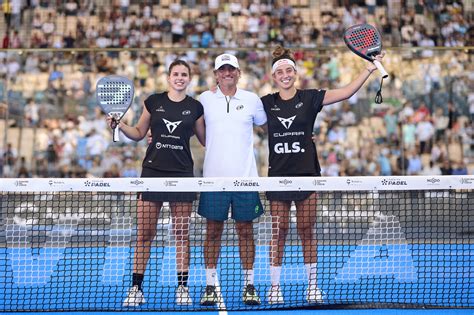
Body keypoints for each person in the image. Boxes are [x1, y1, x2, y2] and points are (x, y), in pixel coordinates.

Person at [260, 46, 385, 304]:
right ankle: (274, 287)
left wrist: (369, 69)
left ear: (295, 73)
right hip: (278, 177)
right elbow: (237, 116)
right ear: (273, 77)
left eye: (288, 70)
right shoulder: (265, 103)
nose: (284, 75)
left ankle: (313, 286)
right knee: (279, 233)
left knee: (307, 231)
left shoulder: (310, 98)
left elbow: (347, 92)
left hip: (307, 175)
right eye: (279, 71)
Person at [108, 60, 205, 307]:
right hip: (152, 173)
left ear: (189, 78)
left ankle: (182, 288)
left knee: (182, 235)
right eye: (176, 74)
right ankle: (136, 289)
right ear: (168, 77)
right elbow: (139, 133)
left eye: (184, 74)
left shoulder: (196, 107)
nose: (180, 78)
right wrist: (119, 125)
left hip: (183, 175)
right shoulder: (154, 101)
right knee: (144, 235)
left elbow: (206, 139)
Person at [198, 53, 267, 306]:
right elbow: (186, 125)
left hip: (246, 180)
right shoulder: (204, 100)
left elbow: (271, 127)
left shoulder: (252, 100)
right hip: (213, 181)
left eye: (231, 69)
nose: (227, 73)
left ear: (238, 72)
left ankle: (249, 285)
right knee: (212, 232)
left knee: (246, 232)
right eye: (222, 69)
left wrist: (305, 136)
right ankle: (209, 286)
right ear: (216, 74)